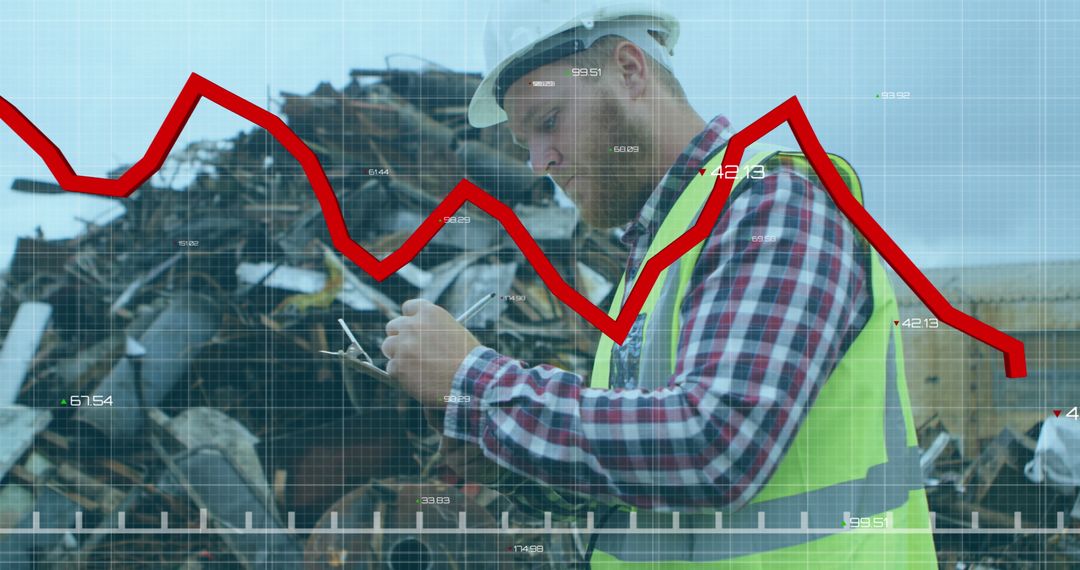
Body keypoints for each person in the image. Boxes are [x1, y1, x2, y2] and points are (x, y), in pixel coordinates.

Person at [380, 1, 937, 567]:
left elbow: (715, 446)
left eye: (547, 121)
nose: (539, 162)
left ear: (630, 71)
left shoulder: (773, 204)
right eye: (526, 143)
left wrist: (475, 384)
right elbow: (645, 485)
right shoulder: (659, 253)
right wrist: (504, 454)